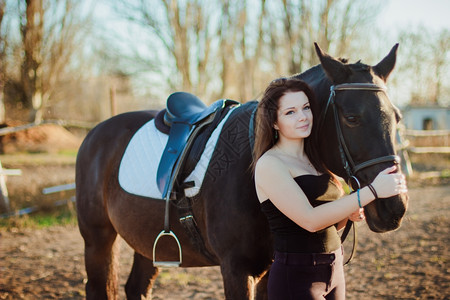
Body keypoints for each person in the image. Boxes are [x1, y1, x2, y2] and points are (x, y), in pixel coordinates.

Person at [253, 77, 407, 300]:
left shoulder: (317, 160)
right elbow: (310, 220)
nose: (303, 117)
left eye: (306, 108)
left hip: (334, 270)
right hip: (296, 278)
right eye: (291, 112)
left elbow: (330, 225)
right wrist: (372, 191)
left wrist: (348, 213)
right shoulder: (270, 164)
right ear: (274, 122)